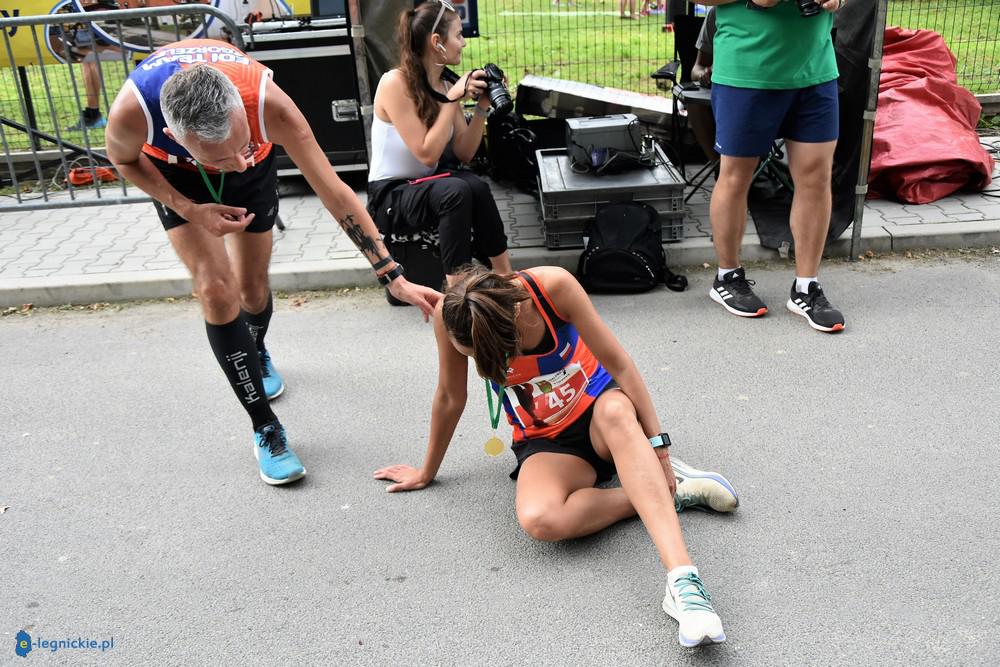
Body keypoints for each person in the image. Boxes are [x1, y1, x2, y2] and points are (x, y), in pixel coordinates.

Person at [106, 39, 439, 486]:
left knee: (252, 290)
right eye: (222, 157)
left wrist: (392, 275)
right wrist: (188, 208)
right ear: (172, 135)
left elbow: (334, 191)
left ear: (242, 114)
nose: (236, 163)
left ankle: (254, 348)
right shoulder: (134, 113)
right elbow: (122, 159)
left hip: (250, 163)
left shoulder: (268, 107)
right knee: (216, 290)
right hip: (177, 179)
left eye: (241, 144)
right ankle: (266, 428)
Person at [375, 265, 739, 647]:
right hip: (548, 440)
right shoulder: (450, 319)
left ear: (515, 316)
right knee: (540, 519)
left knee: (616, 412)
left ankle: (684, 584)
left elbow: (620, 364)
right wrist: (426, 471)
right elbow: (451, 398)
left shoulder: (553, 287)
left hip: (601, 412)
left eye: (495, 354)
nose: (487, 366)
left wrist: (658, 450)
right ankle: (667, 492)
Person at [701, 0, 847, 332]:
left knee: (816, 178)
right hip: (746, 70)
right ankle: (727, 277)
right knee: (736, 177)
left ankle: (806, 287)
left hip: (815, 70)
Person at [367, 0, 512, 287]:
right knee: (455, 191)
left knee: (475, 185)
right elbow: (426, 153)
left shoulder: (445, 85)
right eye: (458, 35)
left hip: (423, 187)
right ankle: (458, 290)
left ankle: (507, 278)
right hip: (389, 197)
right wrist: (453, 99)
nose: (463, 43)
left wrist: (482, 107)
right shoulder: (394, 83)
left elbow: (465, 152)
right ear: (437, 42)